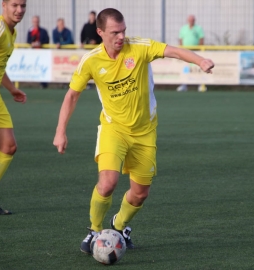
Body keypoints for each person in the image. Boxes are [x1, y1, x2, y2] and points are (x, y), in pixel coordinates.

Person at [53, 8, 214, 254]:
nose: (121, 36)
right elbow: (72, 95)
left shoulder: (139, 47)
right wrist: (60, 131)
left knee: (140, 194)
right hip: (113, 129)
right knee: (107, 184)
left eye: (123, 30)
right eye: (115, 32)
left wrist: (200, 60)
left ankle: (118, 226)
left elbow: (174, 50)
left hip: (144, 132)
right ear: (100, 32)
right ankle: (94, 231)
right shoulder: (91, 60)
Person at [0, 0, 27, 215]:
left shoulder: (11, 33)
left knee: (8, 146)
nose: (19, 10)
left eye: (23, 5)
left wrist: (12, 89)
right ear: (3, 5)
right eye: (14, 5)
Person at [177, 15, 206, 92]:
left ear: (194, 20)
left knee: (198, 67)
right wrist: (181, 49)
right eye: (190, 20)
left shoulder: (198, 28)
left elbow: (201, 38)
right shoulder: (183, 28)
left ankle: (201, 85)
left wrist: (200, 49)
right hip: (185, 51)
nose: (191, 21)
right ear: (187, 20)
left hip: (195, 51)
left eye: (192, 20)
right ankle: (184, 84)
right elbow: (180, 39)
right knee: (185, 68)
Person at [27, 15, 49, 89]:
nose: (36, 23)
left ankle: (43, 83)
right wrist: (32, 43)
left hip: (42, 52)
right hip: (33, 53)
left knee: (43, 67)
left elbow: (47, 40)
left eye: (37, 21)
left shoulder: (43, 31)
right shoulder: (30, 31)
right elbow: (28, 41)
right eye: (34, 21)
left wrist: (40, 43)